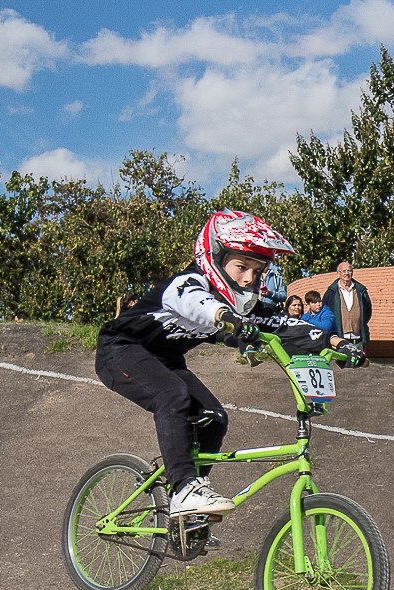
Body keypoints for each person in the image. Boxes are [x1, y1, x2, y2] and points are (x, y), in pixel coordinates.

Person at [95, 209, 293, 518]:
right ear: (215, 254)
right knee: (173, 395)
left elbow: (283, 325)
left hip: (165, 359)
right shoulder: (189, 283)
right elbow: (198, 304)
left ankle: (193, 504)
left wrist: (334, 342)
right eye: (242, 267)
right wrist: (227, 319)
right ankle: (183, 489)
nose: (248, 278)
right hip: (120, 348)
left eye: (257, 272)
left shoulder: (235, 304)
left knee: (215, 417)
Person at [323, 261, 373, 349]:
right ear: (338, 273)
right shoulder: (331, 292)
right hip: (338, 340)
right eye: (344, 271)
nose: (347, 273)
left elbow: (367, 311)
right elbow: (325, 312)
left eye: (349, 271)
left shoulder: (361, 291)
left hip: (358, 339)